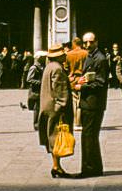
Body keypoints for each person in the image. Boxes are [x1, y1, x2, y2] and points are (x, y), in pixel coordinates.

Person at [74, 31, 109, 178]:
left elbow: (100, 82)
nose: (88, 45)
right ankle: (95, 168)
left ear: (96, 42)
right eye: (86, 42)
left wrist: (81, 87)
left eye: (91, 42)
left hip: (94, 103)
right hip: (89, 102)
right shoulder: (90, 56)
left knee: (89, 136)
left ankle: (89, 169)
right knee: (90, 136)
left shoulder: (100, 59)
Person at [38, 44, 74, 178]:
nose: (66, 55)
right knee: (57, 136)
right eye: (64, 53)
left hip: (47, 107)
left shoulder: (49, 67)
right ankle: (56, 167)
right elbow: (60, 91)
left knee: (53, 137)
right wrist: (61, 107)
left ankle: (56, 165)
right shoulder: (58, 69)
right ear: (59, 56)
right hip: (56, 109)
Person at [65, 36, 87, 127]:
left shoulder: (69, 54)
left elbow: (66, 68)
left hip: (73, 79)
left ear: (73, 44)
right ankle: (80, 122)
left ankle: (75, 122)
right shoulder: (86, 53)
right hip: (83, 79)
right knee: (82, 100)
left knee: (74, 101)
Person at [26, 51, 46, 130]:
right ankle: (36, 124)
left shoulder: (42, 66)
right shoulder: (34, 68)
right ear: (39, 58)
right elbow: (29, 79)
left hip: (41, 91)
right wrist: (39, 82)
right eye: (43, 57)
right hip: (35, 91)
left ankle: (40, 123)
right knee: (37, 108)